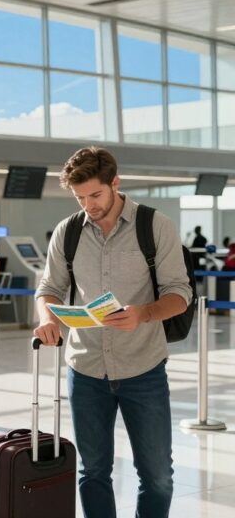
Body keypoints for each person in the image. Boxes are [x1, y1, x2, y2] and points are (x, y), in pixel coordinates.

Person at [35, 147, 190, 518]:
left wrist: (145, 313)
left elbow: (180, 293)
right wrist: (48, 318)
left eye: (95, 195)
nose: (88, 204)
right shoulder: (67, 232)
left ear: (115, 183)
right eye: (80, 197)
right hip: (86, 369)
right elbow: (48, 288)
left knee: (157, 476)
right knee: (92, 473)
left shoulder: (155, 226)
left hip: (143, 368)